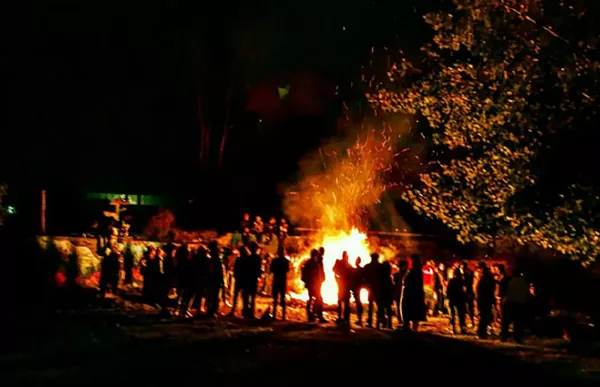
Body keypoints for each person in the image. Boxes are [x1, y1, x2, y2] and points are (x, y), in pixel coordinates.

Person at [501, 268, 529, 343]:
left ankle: (504, 336)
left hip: (510, 303)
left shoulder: (509, 281)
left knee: (506, 322)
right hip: (520, 304)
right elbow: (526, 292)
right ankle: (517, 337)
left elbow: (505, 292)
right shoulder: (523, 282)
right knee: (518, 322)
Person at [402, 255, 426, 331]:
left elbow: (407, 281)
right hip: (415, 292)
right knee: (413, 308)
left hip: (411, 292)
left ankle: (409, 325)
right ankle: (412, 325)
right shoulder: (417, 271)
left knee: (409, 308)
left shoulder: (414, 271)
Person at [302, 249, 325, 322]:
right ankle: (312, 314)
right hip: (313, 284)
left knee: (312, 298)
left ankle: (311, 315)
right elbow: (314, 274)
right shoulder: (312, 263)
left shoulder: (310, 263)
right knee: (317, 299)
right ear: (314, 255)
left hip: (313, 284)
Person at [476, 262, 496, 339]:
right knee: (485, 317)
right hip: (486, 299)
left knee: (484, 317)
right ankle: (481, 332)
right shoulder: (488, 278)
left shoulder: (484, 279)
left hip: (484, 299)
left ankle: (481, 332)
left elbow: (480, 290)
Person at [270, 245, 290, 320]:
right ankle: (283, 316)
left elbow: (271, 270)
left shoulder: (274, 261)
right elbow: (288, 270)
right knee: (282, 298)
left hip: (276, 280)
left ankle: (274, 315)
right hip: (283, 280)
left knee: (275, 298)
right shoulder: (286, 261)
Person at [333, 251, 353, 323]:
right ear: (343, 257)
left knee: (345, 302)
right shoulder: (339, 263)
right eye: (346, 257)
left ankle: (345, 318)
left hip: (346, 286)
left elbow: (352, 274)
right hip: (341, 285)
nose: (347, 258)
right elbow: (334, 269)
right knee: (341, 301)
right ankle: (341, 318)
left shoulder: (348, 265)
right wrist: (337, 276)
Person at [363, 253, 382, 327]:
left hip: (370, 287)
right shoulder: (380, 267)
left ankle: (370, 320)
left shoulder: (367, 266)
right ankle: (378, 322)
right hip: (378, 287)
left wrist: (366, 284)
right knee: (379, 305)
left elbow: (364, 276)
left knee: (371, 304)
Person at [447, 268, 467, 334]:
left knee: (452, 314)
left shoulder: (452, 281)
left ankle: (452, 328)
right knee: (461, 314)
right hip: (460, 299)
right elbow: (465, 290)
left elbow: (449, 290)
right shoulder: (462, 281)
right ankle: (462, 328)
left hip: (453, 298)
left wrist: (448, 297)